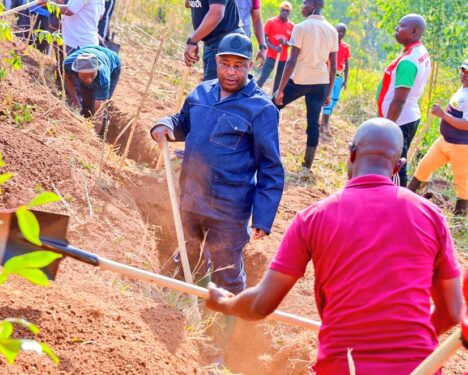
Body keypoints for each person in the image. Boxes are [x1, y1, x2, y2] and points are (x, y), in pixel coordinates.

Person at [207, 118, 462, 374]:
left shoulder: (313, 217)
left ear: (351, 153)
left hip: (342, 366)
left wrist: (227, 303)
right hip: (418, 367)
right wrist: (407, 341)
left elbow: (262, 304)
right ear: (398, 167)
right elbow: (452, 311)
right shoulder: (430, 216)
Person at [151, 33, 284, 295]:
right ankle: (178, 306)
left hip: (229, 210)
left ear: (250, 66)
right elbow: (182, 122)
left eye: (238, 65)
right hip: (191, 196)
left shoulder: (261, 108)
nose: (231, 72)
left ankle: (226, 326)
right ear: (217, 62)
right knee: (187, 252)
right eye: (225, 64)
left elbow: (271, 168)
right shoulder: (202, 92)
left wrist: (263, 217)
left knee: (226, 271)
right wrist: (165, 124)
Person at [273, 0, 338, 170]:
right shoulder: (332, 30)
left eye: (304, 3)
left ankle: (267, 147)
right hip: (321, 83)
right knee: (313, 123)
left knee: (272, 106)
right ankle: (307, 165)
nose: (302, 7)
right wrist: (329, 93)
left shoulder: (301, 27)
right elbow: (333, 67)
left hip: (300, 80)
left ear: (313, 6)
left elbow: (292, 61)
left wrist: (280, 90)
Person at [408, 60, 468, 216]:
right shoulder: (463, 88)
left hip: (461, 146)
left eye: (467, 73)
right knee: (423, 166)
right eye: (463, 70)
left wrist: (443, 115)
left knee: (462, 181)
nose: (464, 74)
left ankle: (459, 218)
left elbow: (466, 124)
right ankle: (407, 198)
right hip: (444, 141)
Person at [377, 14, 430, 186]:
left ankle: (398, 203)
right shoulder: (419, 52)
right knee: (394, 163)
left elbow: (399, 100)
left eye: (401, 26)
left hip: (400, 120)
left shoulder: (409, 61)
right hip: (407, 115)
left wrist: (387, 127)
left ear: (414, 31)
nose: (396, 29)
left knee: (396, 166)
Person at [184, 0, 266, 81]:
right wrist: (196, 38)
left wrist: (193, 41)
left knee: (216, 89)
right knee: (210, 86)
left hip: (228, 43)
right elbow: (189, 4)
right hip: (211, 41)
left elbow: (216, 14)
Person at [63, 45, 121, 126]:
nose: (89, 79)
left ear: (97, 69)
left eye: (92, 75)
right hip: (88, 48)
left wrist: (92, 134)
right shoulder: (68, 64)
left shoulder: (103, 79)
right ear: (77, 71)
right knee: (85, 89)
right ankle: (85, 110)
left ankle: (104, 124)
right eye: (84, 76)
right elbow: (67, 77)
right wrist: (75, 99)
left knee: (104, 102)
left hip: (112, 60)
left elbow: (99, 112)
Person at [320, 23, 350, 136]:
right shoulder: (329, 44)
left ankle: (323, 123)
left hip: (339, 77)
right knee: (329, 99)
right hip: (328, 76)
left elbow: (347, 64)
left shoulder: (346, 47)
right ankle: (326, 126)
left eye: (343, 32)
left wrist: (345, 80)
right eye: (339, 31)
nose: (340, 33)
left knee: (334, 101)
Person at [256, 1, 294, 93]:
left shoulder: (292, 26)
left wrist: (285, 43)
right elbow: (264, 38)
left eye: (287, 11)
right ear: (280, 10)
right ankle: (253, 95)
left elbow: (292, 43)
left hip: (283, 59)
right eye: (283, 10)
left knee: (278, 82)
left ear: (289, 13)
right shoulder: (271, 22)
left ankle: (274, 102)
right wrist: (274, 47)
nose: (285, 12)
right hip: (270, 57)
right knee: (263, 78)